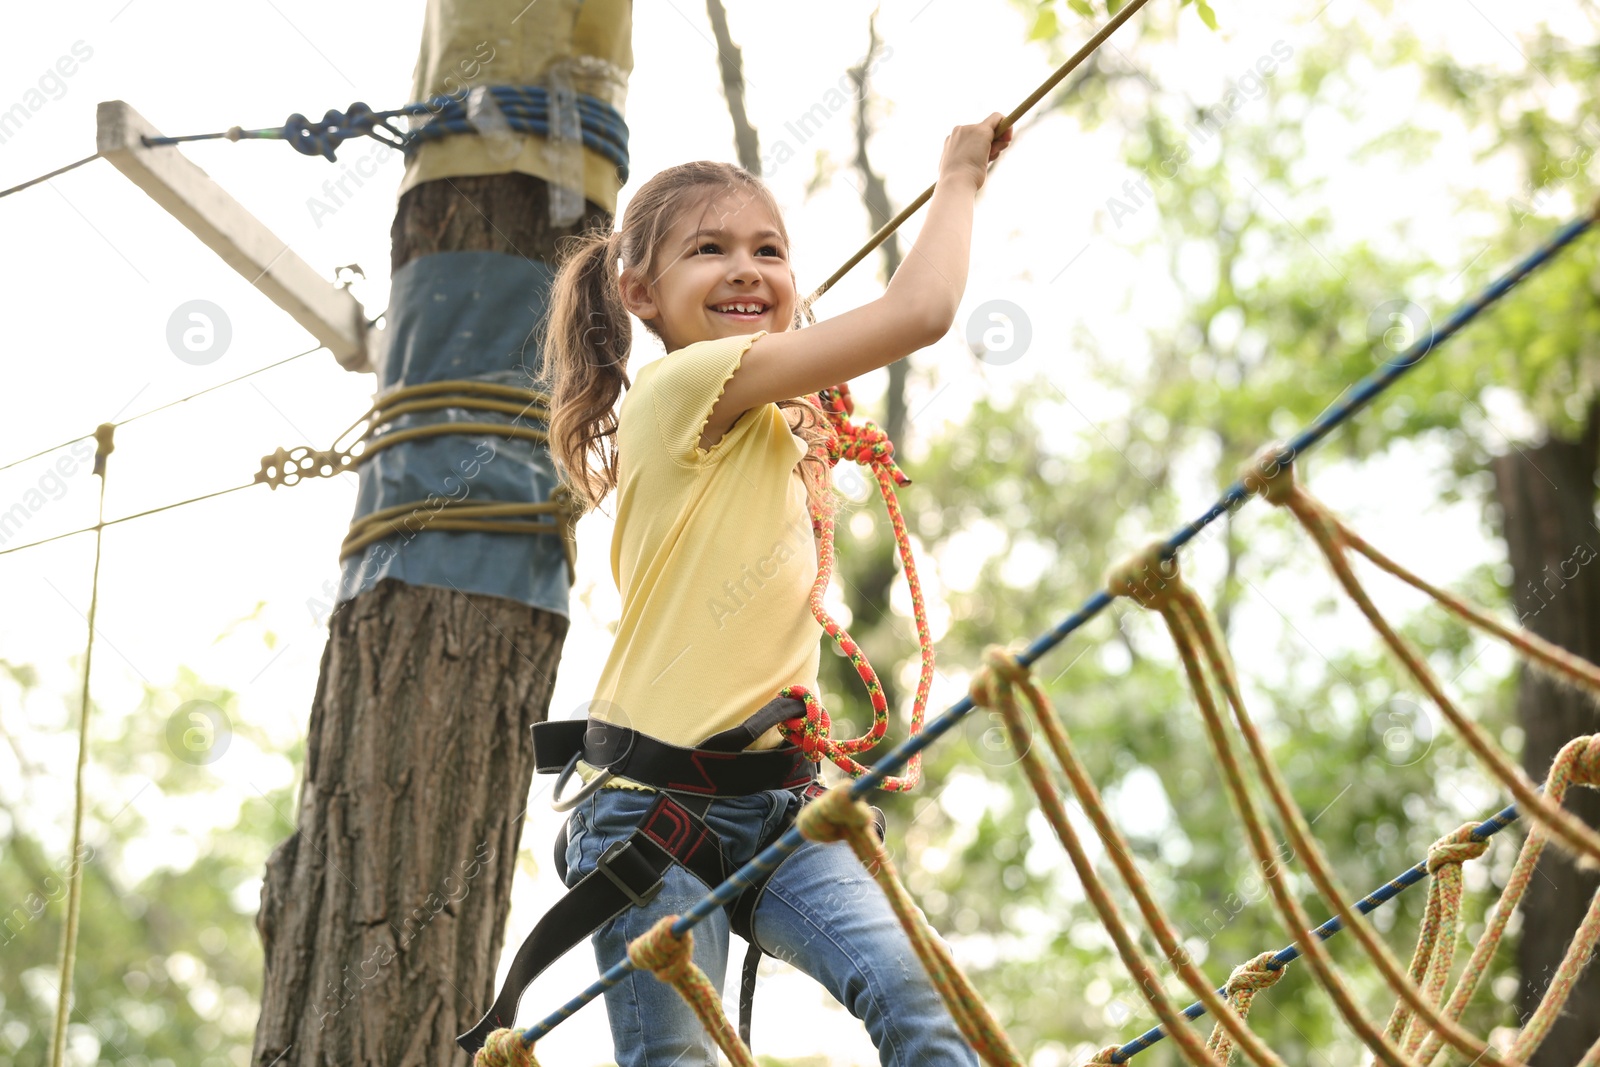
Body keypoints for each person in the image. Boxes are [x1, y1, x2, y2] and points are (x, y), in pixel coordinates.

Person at [536, 112, 1014, 1067]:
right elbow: (917, 315)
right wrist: (958, 178)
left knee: (928, 1003)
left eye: (769, 251)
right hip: (651, 807)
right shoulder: (680, 389)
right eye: (708, 251)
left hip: (782, 807)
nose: (746, 268)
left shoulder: (764, 419)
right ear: (641, 292)